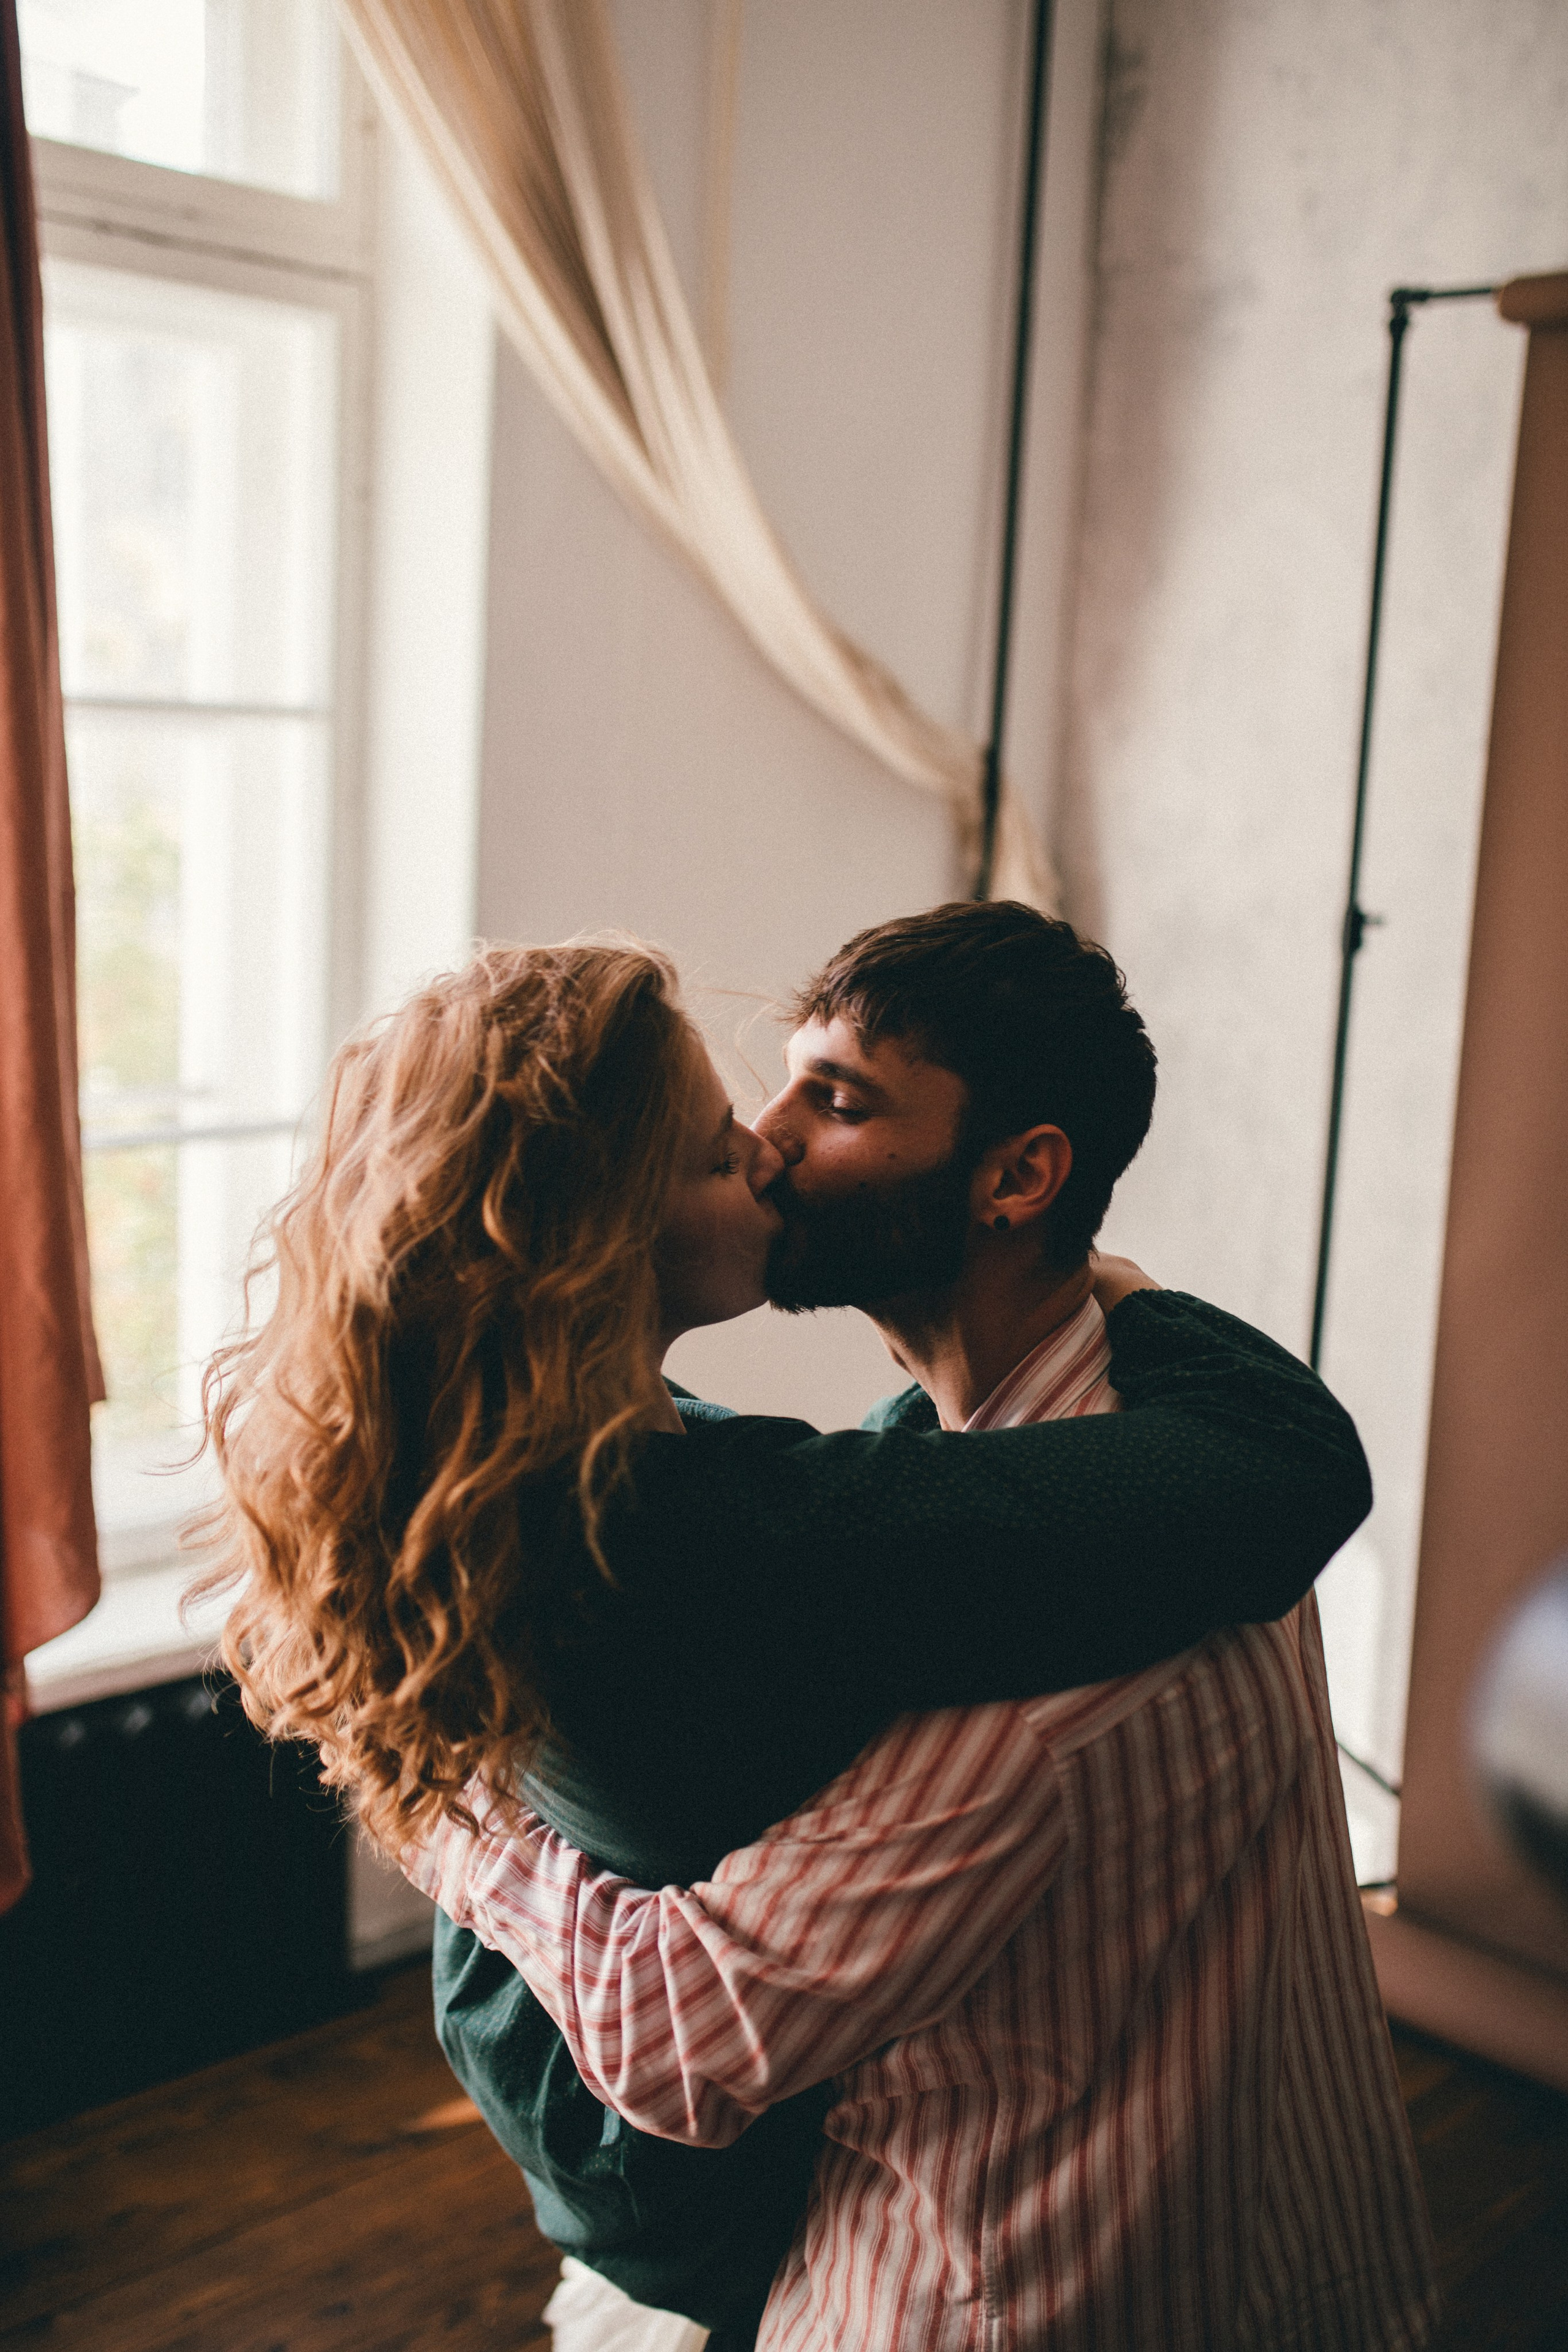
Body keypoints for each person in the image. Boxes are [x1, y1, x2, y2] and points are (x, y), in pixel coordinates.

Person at [198, 916, 1376, 2349]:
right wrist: (1121, 1288)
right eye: (728, 1138)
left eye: (834, 1100)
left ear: (1017, 1176)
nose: (765, 1146)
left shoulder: (540, 1475)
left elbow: (679, 2033)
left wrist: (442, 1806)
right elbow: (1269, 1458)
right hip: (694, 2203)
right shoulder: (847, 1527)